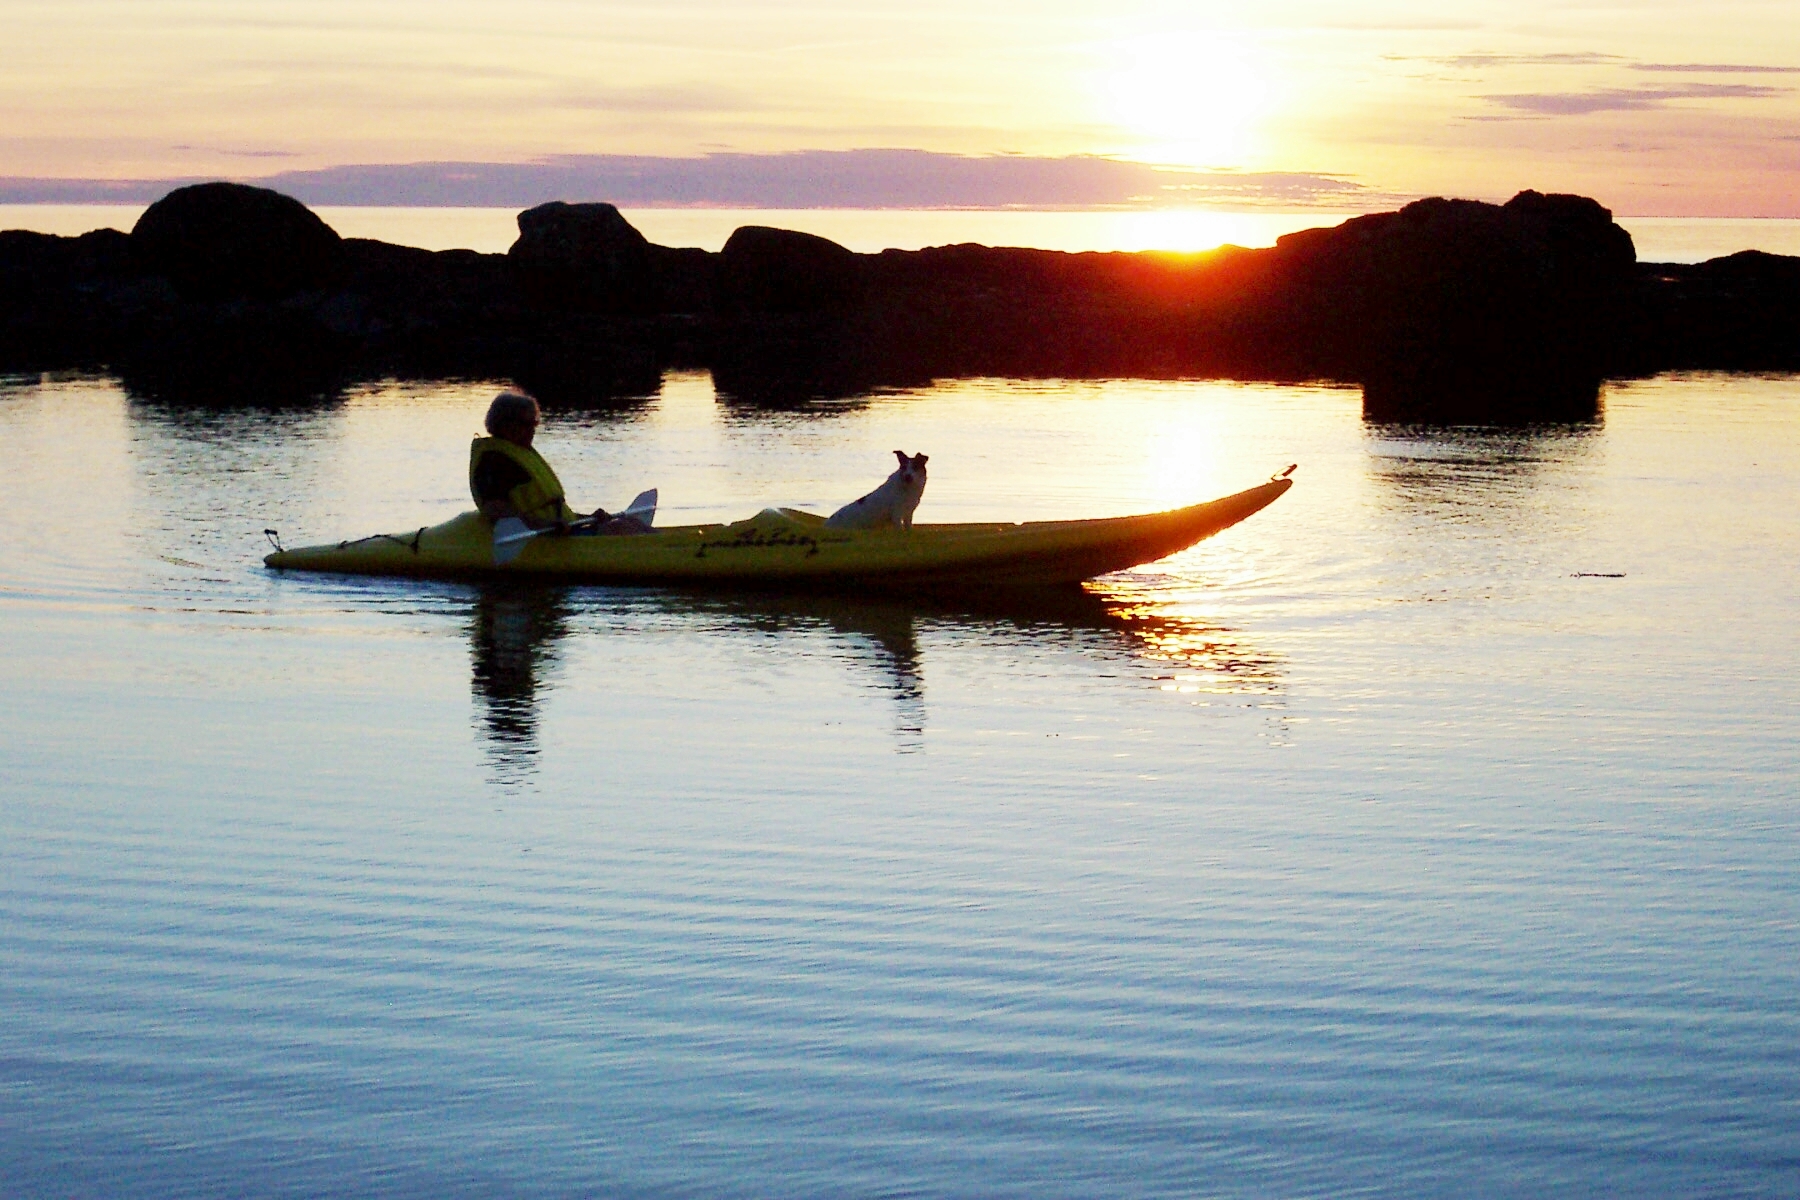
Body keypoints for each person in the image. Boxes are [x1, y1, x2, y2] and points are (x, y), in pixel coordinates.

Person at [469, 391, 647, 533]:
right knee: (619, 528)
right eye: (526, 423)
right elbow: (495, 510)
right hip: (539, 539)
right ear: (505, 424)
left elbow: (555, 512)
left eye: (535, 423)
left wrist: (587, 517)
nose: (532, 430)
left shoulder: (519, 454)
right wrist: (544, 526)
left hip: (559, 533)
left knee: (628, 522)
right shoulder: (493, 461)